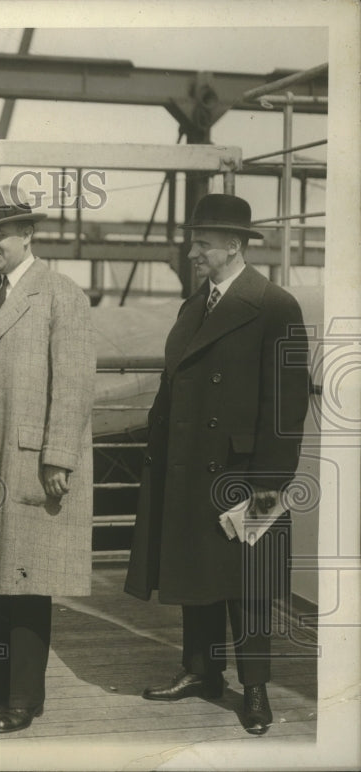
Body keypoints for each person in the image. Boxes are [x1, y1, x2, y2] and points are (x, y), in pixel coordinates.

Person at [125, 193, 310, 736]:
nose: (192, 252)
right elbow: (172, 385)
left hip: (242, 472)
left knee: (245, 585)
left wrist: (269, 489)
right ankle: (201, 671)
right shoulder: (193, 306)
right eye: (193, 241)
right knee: (194, 573)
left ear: (235, 245)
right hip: (186, 465)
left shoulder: (276, 305)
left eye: (203, 242)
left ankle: (254, 689)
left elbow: (287, 407)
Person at [0, 196, 95, 734]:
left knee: (28, 580)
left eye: (1, 236)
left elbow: (76, 381)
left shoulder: (60, 294)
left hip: (29, 460)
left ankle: (24, 698)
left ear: (28, 234)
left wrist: (59, 456)